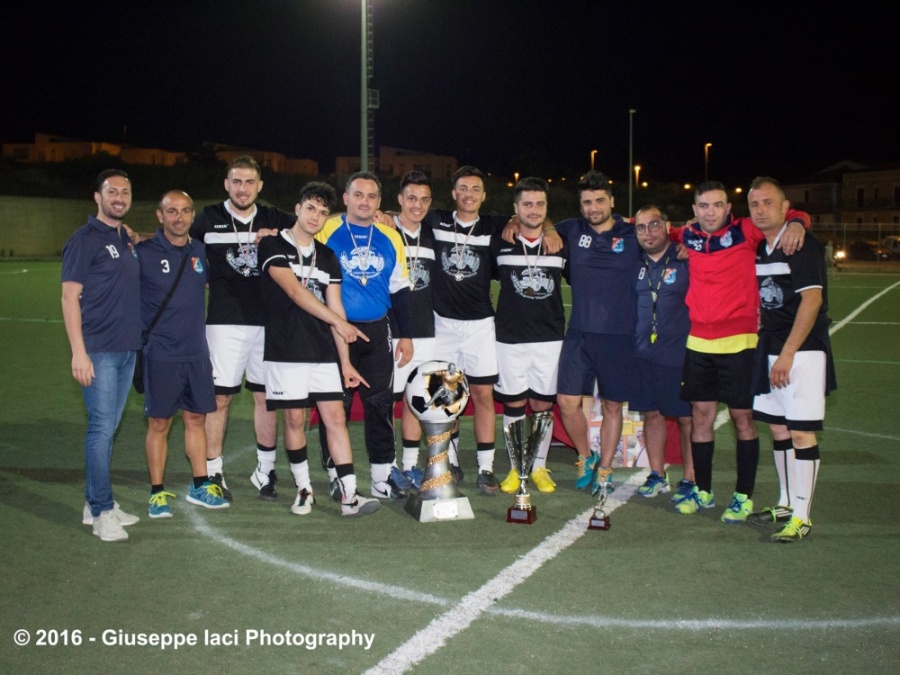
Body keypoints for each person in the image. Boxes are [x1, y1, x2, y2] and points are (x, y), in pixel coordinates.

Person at [670, 181, 809, 520]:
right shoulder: (687, 236)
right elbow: (650, 227)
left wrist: (797, 222)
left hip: (741, 343)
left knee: (742, 418)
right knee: (700, 417)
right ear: (694, 211)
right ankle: (703, 491)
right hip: (699, 342)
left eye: (717, 205)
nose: (710, 212)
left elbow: (786, 213)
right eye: (703, 206)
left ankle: (742, 497)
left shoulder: (745, 231)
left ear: (728, 209)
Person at [422, 166, 561, 496]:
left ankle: (485, 468)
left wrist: (550, 225)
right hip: (442, 324)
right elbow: (404, 215)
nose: (469, 194)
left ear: (484, 196)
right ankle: (448, 463)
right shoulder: (436, 220)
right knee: (447, 398)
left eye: (475, 189)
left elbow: (532, 219)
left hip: (482, 325)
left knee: (484, 396)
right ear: (453, 193)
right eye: (463, 189)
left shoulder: (497, 227)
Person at [259, 181, 379, 517]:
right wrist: (340, 324)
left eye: (323, 212)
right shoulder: (272, 244)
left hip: (323, 351)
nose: (316, 216)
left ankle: (349, 495)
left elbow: (336, 309)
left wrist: (346, 362)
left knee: (335, 418)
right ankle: (303, 489)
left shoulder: (327, 257)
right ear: (297, 209)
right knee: (295, 420)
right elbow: (296, 292)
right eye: (310, 208)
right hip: (285, 351)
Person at [189, 155, 294, 501]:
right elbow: (172, 237)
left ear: (259, 186)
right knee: (219, 398)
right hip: (224, 323)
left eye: (250, 182)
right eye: (237, 181)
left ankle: (265, 471)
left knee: (266, 397)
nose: (243, 188)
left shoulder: (274, 218)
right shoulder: (207, 218)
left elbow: (315, 223)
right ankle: (214, 471)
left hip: (268, 322)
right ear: (226, 184)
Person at [746, 177, 835, 542]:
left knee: (801, 432)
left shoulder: (801, 245)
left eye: (769, 203)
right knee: (778, 428)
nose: (761, 210)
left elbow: (811, 302)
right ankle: (785, 501)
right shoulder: (759, 248)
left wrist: (787, 354)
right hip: (769, 347)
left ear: (786, 208)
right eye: (755, 204)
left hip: (803, 352)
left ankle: (802, 515)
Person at [316, 172, 414, 501]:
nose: (365, 202)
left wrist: (406, 335)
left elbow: (400, 290)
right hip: (336, 329)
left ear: (379, 203)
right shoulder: (326, 228)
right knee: (335, 407)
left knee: (380, 404)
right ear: (345, 198)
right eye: (358, 195)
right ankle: (336, 475)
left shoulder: (391, 236)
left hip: (376, 330)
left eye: (372, 197)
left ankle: (382, 475)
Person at [137, 191, 228, 517]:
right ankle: (157, 492)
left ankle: (200, 484)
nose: (179, 217)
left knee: (196, 420)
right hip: (161, 355)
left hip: (196, 355)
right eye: (171, 211)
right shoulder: (143, 253)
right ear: (160, 216)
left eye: (185, 211)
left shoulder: (200, 252)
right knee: (159, 424)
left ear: (193, 216)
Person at [61, 169, 141, 542]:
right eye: (112, 191)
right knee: (100, 430)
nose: (119, 197)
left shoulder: (122, 237)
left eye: (125, 192)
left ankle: (95, 503)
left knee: (108, 428)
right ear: (98, 196)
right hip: (99, 350)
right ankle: (100, 510)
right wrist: (79, 352)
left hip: (126, 349)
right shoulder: (84, 240)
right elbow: (68, 297)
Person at [553, 171, 640, 494]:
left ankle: (605, 468)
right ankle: (585, 456)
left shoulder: (633, 234)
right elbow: (541, 224)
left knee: (613, 406)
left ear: (612, 201)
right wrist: (547, 227)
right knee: (566, 401)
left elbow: (669, 238)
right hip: (579, 333)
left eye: (599, 200)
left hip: (619, 336)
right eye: (587, 202)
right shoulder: (571, 230)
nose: (593, 207)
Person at [492, 177, 568, 495]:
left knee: (541, 404)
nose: (533, 210)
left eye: (539, 204)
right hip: (509, 338)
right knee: (514, 402)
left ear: (547, 208)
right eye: (526, 204)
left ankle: (538, 466)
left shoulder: (560, 244)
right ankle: (516, 467)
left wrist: (550, 228)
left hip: (550, 338)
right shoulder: (500, 241)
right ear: (515, 208)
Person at [629, 205, 695, 501]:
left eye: (654, 225)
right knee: (651, 415)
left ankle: (691, 479)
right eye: (641, 227)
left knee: (687, 419)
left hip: (680, 355)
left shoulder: (685, 258)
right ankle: (657, 474)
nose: (648, 232)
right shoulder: (635, 262)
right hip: (644, 354)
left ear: (668, 225)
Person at [389, 171, 437, 489]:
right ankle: (387, 466)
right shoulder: (383, 231)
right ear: (400, 200)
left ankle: (410, 465)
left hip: (426, 331)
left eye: (423, 199)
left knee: (415, 400)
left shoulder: (435, 235)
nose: (417, 205)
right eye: (411, 198)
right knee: (388, 400)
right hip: (390, 330)